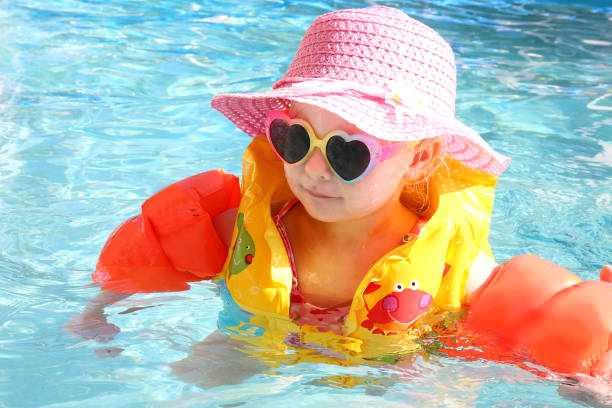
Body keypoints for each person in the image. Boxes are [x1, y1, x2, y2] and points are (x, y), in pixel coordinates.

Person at [65, 6, 612, 379]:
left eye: (350, 152)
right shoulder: (245, 230)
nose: (315, 170)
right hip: (255, 346)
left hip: (396, 369)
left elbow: (538, 311)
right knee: (199, 381)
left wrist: (590, 377)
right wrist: (99, 311)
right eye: (296, 138)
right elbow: (161, 250)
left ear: (418, 158)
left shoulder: (450, 265)